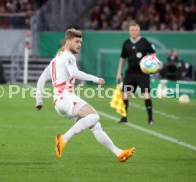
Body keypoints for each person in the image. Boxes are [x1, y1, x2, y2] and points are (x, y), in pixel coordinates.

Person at [35, 28, 135, 162]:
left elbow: (41, 79)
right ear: (68, 41)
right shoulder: (69, 56)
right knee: (94, 116)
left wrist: (39, 100)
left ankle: (119, 153)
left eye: (80, 42)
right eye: (76, 41)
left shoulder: (55, 59)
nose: (79, 45)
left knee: (95, 125)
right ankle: (62, 139)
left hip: (59, 102)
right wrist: (96, 79)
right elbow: (74, 73)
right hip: (66, 96)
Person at [116, 23, 156, 124]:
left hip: (143, 73)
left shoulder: (144, 41)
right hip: (130, 73)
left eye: (136, 30)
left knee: (146, 95)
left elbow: (153, 53)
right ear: (129, 31)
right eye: (132, 30)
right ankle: (124, 117)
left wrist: (150, 65)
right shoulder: (126, 43)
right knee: (124, 95)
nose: (134, 32)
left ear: (139, 31)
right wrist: (119, 72)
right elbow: (123, 58)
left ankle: (150, 119)